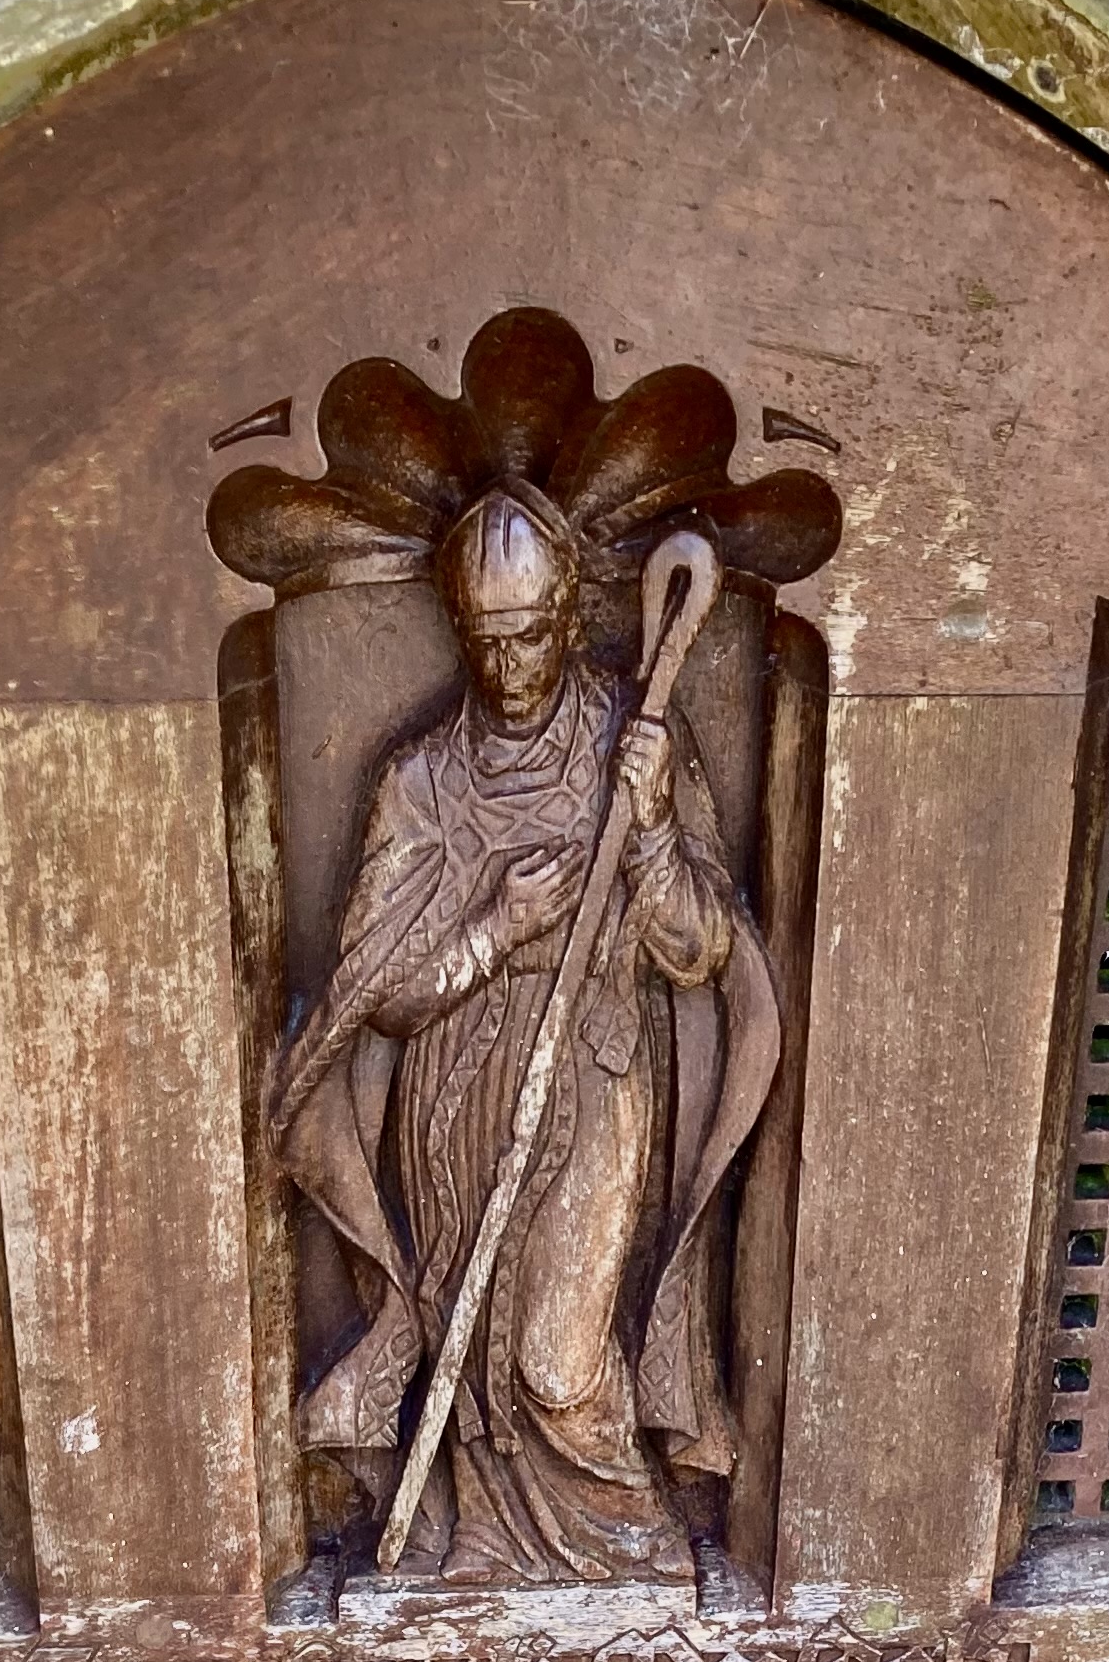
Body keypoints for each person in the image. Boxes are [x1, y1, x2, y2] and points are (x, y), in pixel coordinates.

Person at [269, 476, 779, 1585]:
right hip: (454, 1087)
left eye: (532, 637)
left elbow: (697, 951)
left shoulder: (631, 742)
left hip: (595, 1068)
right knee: (474, 1339)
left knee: (555, 1353)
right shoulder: (424, 785)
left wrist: (645, 830)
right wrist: (496, 928)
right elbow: (378, 993)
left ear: (569, 620)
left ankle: (634, 1553)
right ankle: (481, 1548)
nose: (509, 669)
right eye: (487, 642)